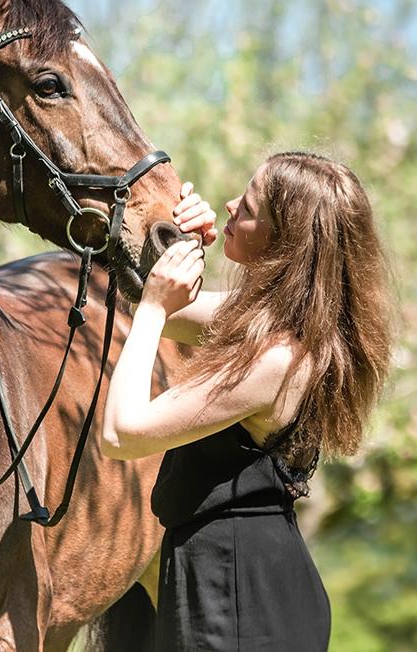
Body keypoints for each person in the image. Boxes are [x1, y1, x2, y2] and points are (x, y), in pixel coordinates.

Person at [100, 151, 395, 651]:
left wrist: (153, 305)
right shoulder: (278, 329)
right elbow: (166, 309)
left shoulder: (278, 358)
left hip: (236, 596)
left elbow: (120, 432)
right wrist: (179, 241)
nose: (231, 205)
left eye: (250, 208)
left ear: (284, 243)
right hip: (231, 579)